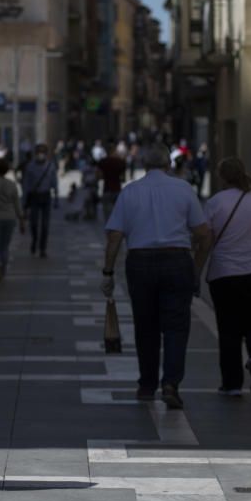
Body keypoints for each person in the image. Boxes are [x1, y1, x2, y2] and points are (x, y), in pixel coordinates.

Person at [101, 144, 212, 410]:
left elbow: (115, 235)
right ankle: (171, 384)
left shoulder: (130, 192)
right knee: (176, 326)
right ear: (169, 165)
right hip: (177, 260)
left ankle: (147, 385)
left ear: (144, 164)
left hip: (140, 263)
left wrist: (108, 272)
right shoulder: (184, 189)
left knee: (145, 326)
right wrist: (196, 268)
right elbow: (203, 234)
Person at [204, 157, 251, 399]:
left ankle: (232, 384)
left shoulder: (214, 203)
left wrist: (196, 270)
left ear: (222, 177)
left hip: (225, 275)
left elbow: (206, 240)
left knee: (229, 329)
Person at [21, 143, 59, 258]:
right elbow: (26, 185)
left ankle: (42, 248)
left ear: (46, 154)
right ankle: (34, 240)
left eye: (42, 152)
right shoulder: (30, 167)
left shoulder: (50, 166)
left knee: (45, 225)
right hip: (34, 197)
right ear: (35, 153)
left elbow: (54, 182)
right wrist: (24, 201)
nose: (40, 155)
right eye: (38, 152)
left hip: (46, 196)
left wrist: (56, 197)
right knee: (34, 223)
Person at [96, 143, 127, 220]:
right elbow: (123, 178)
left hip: (106, 190)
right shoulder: (121, 162)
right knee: (118, 217)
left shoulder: (102, 162)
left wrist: (106, 175)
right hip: (117, 190)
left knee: (107, 217)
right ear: (114, 151)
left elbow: (98, 176)